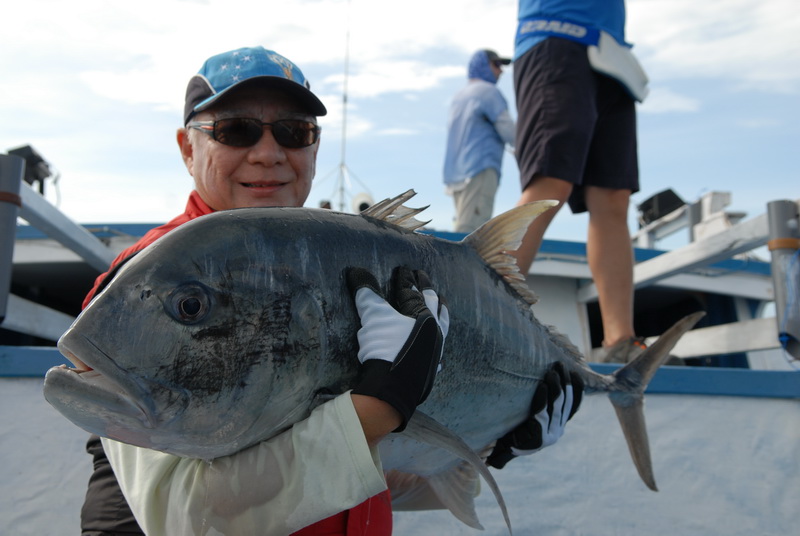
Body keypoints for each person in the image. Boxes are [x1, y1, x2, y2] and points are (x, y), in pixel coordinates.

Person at [79, 46, 450, 536]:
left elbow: (354, 478)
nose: (269, 153)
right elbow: (182, 516)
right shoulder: (148, 286)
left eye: (295, 132)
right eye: (236, 129)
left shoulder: (333, 261)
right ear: (187, 148)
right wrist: (376, 410)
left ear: (314, 148)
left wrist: (494, 450)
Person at [511, 0, 650, 362]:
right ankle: (478, 313)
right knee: (550, 182)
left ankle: (621, 341)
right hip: (553, 37)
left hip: (613, 55)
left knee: (614, 195)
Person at [443, 49, 516, 233]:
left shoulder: (459, 96)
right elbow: (510, 132)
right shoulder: (489, 92)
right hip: (479, 170)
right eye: (496, 65)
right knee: (472, 234)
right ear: (482, 65)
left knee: (461, 226)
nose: (501, 71)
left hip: (456, 176)